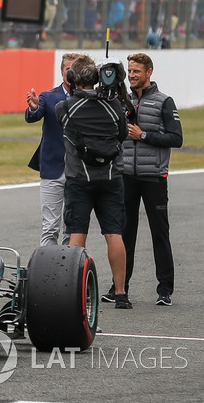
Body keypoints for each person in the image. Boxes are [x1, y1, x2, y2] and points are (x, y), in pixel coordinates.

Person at [102, 53, 183, 306]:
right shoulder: (120, 101)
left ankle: (165, 290)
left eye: (137, 71)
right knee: (125, 233)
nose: (133, 74)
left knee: (160, 233)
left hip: (154, 178)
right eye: (130, 70)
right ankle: (120, 287)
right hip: (126, 176)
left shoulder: (164, 101)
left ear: (149, 72)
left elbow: (176, 138)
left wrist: (144, 135)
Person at [55, 55, 131, 309]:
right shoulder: (115, 107)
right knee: (114, 235)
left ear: (72, 79)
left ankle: (75, 295)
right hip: (111, 178)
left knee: (77, 235)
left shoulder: (65, 109)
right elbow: (123, 134)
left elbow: (63, 118)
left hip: (79, 180)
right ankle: (121, 293)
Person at [25, 53, 80, 246]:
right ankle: (48, 270)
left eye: (75, 70)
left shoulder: (88, 99)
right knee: (50, 228)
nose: (71, 73)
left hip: (79, 171)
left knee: (73, 228)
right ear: (62, 72)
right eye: (68, 70)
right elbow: (34, 115)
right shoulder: (49, 97)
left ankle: (70, 270)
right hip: (53, 170)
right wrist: (33, 107)